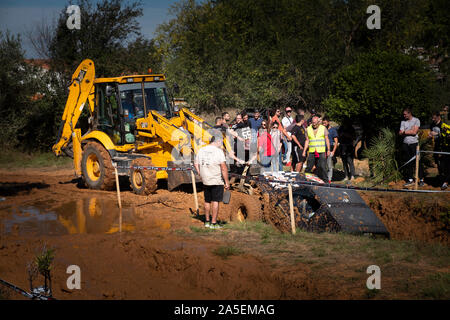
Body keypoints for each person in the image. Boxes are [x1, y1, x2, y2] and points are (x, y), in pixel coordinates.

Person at [194, 132, 230, 229]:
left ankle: (207, 221)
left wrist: (200, 174)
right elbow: (223, 168)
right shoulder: (218, 152)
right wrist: (227, 182)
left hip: (206, 180)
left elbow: (196, 164)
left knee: (207, 200)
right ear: (217, 141)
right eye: (221, 142)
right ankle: (213, 223)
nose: (221, 144)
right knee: (215, 201)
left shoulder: (201, 150)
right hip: (216, 179)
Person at [399, 108, 424, 187]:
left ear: (410, 113)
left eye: (405, 114)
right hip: (406, 144)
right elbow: (400, 132)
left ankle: (421, 180)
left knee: (417, 161)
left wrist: (405, 132)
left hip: (414, 144)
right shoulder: (403, 122)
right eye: (403, 114)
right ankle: (410, 180)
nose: (404, 116)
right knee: (408, 162)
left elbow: (414, 132)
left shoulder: (416, 120)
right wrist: (408, 131)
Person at [302, 115, 330, 182]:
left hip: (321, 151)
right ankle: (305, 180)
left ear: (318, 122)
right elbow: (307, 140)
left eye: (315, 123)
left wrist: (328, 150)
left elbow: (327, 139)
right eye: (313, 122)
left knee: (322, 167)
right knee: (309, 166)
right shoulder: (308, 129)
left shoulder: (323, 128)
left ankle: (326, 181)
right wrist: (304, 151)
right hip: (312, 151)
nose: (314, 124)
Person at [429, 111, 450, 189]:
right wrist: (430, 135)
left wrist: (437, 134)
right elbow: (431, 133)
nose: (433, 119)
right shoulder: (432, 125)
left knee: (446, 165)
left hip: (445, 147)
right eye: (432, 117)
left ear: (438, 117)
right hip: (437, 146)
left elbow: (447, 135)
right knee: (438, 163)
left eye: (434, 117)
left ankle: (446, 181)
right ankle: (441, 178)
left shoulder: (443, 125)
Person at [322, 116, 338, 183]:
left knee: (329, 165)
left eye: (325, 123)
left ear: (328, 122)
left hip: (330, 149)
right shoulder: (322, 129)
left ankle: (329, 179)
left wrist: (333, 151)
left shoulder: (333, 130)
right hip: (322, 149)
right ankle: (323, 178)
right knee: (322, 165)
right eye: (323, 123)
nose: (324, 124)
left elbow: (336, 141)